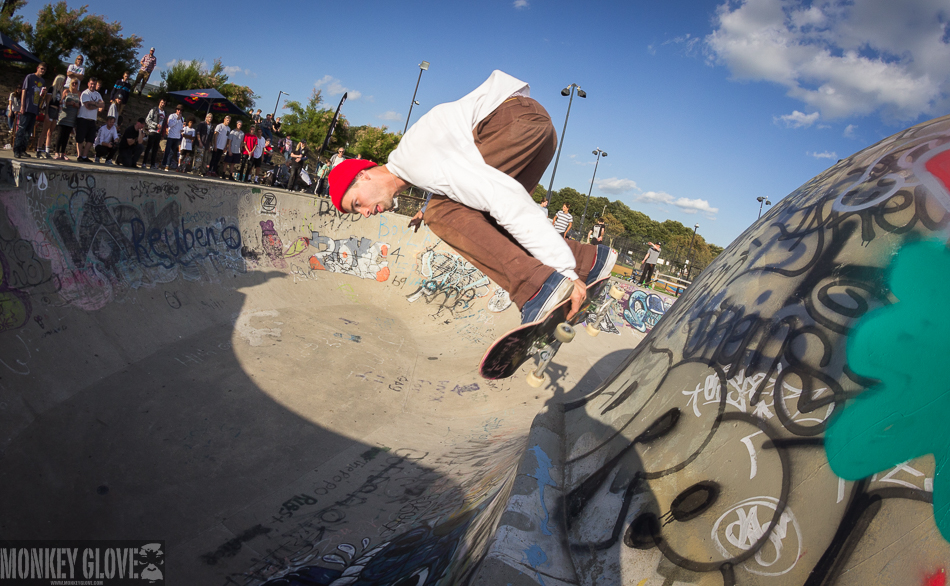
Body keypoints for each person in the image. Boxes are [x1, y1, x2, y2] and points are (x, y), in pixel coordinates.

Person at [328, 70, 616, 324]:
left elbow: (502, 196)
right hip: (534, 127)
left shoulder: (414, 161)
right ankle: (588, 259)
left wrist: (565, 272)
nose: (365, 212)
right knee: (482, 222)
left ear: (362, 175)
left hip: (513, 121)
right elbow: (458, 181)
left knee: (442, 214)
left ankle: (537, 288)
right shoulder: (414, 163)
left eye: (357, 204)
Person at [13, 62, 47, 159]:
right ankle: (17, 149)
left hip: (34, 108)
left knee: (29, 131)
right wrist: (22, 106)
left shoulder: (42, 81)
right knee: (21, 129)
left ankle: (23, 149)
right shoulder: (30, 77)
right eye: (41, 68)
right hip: (27, 107)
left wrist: (42, 94)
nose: (42, 71)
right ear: (37, 68)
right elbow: (24, 91)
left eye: (44, 69)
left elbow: (40, 95)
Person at [75, 77, 103, 163]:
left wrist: (94, 104)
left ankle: (84, 156)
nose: (93, 85)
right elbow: (88, 106)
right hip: (83, 118)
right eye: (91, 84)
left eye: (94, 84)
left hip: (92, 119)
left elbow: (102, 105)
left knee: (90, 139)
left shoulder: (98, 94)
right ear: (88, 84)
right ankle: (79, 155)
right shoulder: (85, 93)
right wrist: (96, 104)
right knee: (80, 138)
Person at [52, 78, 81, 160]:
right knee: (60, 135)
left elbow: (80, 105)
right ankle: (56, 152)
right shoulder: (66, 91)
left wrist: (76, 104)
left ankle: (62, 153)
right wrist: (68, 102)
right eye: (73, 83)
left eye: (76, 83)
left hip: (72, 117)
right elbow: (60, 101)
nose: (74, 85)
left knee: (66, 136)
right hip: (64, 115)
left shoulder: (79, 94)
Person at [36, 74, 64, 158]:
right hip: (50, 110)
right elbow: (47, 102)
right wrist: (47, 114)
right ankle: (39, 150)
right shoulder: (52, 89)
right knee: (44, 131)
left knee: (50, 132)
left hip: (56, 111)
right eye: (62, 81)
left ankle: (47, 151)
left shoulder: (60, 91)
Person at [142, 98, 166, 169]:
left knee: (155, 149)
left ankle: (152, 164)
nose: (163, 104)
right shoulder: (154, 110)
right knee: (149, 147)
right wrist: (155, 125)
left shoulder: (165, 113)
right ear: (159, 102)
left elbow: (164, 124)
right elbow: (147, 120)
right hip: (152, 131)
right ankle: (144, 163)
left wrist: (163, 134)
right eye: (162, 102)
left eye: (164, 103)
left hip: (159, 133)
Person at [161, 104, 185, 170]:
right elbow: (170, 124)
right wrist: (177, 119)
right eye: (178, 110)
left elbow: (180, 127)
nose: (179, 111)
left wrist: (181, 131)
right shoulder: (172, 116)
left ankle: (168, 164)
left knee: (172, 152)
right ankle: (163, 163)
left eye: (181, 110)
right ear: (176, 110)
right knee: (167, 151)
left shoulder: (182, 118)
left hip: (177, 137)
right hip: (171, 136)